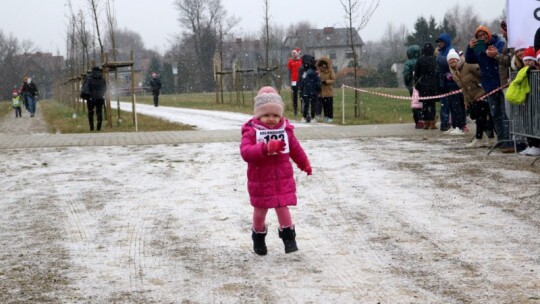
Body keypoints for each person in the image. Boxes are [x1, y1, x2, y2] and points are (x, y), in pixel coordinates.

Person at [240, 86, 312, 255]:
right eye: (266, 115)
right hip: (261, 180)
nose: (271, 119)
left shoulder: (285, 131)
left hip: (282, 179)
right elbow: (246, 153)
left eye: (275, 115)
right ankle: (258, 237)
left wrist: (304, 163)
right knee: (260, 211)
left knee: (282, 207)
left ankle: (289, 239)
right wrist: (264, 148)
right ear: (258, 115)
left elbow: (295, 149)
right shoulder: (251, 132)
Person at [465, 25, 511, 152]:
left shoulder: (498, 43)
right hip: (488, 85)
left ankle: (508, 140)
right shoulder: (479, 47)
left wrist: (495, 54)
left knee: (504, 112)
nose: (482, 37)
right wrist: (470, 48)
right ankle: (500, 139)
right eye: (479, 36)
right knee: (495, 113)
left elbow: (504, 58)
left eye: (484, 34)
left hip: (501, 83)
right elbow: (469, 60)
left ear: (488, 34)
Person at [447, 49, 495, 147]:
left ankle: (479, 138)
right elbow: (463, 88)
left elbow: (481, 74)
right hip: (471, 97)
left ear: (458, 59)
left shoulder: (468, 65)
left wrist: (482, 86)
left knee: (481, 118)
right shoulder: (454, 73)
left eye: (454, 59)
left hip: (481, 93)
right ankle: (490, 138)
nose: (452, 61)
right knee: (477, 117)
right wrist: (466, 101)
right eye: (450, 60)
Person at [435, 33, 458, 132]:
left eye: (441, 42)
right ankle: (444, 124)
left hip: (452, 81)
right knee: (444, 105)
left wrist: (438, 57)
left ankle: (455, 124)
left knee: (454, 105)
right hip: (443, 82)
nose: (439, 44)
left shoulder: (451, 50)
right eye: (438, 42)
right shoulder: (441, 51)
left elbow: (449, 62)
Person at [414, 43, 439, 130]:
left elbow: (416, 73)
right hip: (432, 84)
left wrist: (417, 80)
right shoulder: (434, 59)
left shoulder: (420, 60)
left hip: (423, 84)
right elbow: (437, 72)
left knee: (424, 104)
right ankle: (432, 122)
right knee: (432, 104)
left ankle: (425, 123)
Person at [403, 44, 423, 129]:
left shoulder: (408, 63)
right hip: (423, 85)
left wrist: (408, 83)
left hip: (413, 86)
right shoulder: (421, 60)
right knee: (424, 102)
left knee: (415, 104)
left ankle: (418, 121)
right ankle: (425, 119)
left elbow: (406, 75)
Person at [298, 54, 321, 123]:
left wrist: (301, 89)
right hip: (313, 92)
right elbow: (318, 84)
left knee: (306, 105)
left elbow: (302, 82)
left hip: (306, 91)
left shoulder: (305, 73)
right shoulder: (316, 74)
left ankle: (304, 118)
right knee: (313, 105)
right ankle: (313, 118)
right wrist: (318, 90)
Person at [87, 66, 107, 131]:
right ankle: (99, 128)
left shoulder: (89, 78)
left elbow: (86, 88)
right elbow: (105, 88)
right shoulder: (102, 79)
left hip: (91, 98)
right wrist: (101, 93)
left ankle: (91, 127)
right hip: (100, 98)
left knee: (90, 113)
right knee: (99, 112)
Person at [316, 57, 336, 123]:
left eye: (322, 66)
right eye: (320, 67)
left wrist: (326, 82)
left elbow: (333, 80)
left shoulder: (330, 71)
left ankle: (330, 117)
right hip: (322, 91)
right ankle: (326, 116)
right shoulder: (319, 72)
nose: (321, 68)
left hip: (328, 91)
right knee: (324, 105)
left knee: (329, 105)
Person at [287, 48, 302, 116]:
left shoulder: (301, 61)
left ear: (297, 54)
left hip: (301, 80)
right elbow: (289, 71)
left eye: (295, 53)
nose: (293, 55)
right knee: (294, 96)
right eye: (293, 54)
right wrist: (289, 80)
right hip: (294, 81)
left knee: (301, 95)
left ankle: (303, 109)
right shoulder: (290, 61)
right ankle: (295, 110)